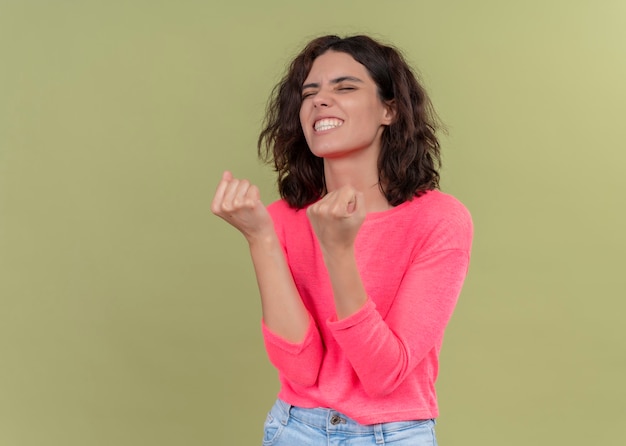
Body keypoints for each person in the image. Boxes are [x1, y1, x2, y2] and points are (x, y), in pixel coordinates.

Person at [211, 34, 473, 445]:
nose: (319, 100)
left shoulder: (439, 219)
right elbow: (301, 369)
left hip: (394, 434)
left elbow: (384, 375)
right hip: (294, 429)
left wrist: (337, 251)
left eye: (345, 87)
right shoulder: (280, 219)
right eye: (309, 92)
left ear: (389, 109)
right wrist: (260, 237)